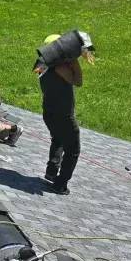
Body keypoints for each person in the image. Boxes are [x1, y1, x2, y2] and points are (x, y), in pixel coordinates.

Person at [37, 33, 93, 195]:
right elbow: (78, 82)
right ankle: (59, 184)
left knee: (58, 139)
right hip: (64, 116)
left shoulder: (42, 66)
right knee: (73, 150)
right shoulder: (61, 68)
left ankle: (51, 172)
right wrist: (74, 62)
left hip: (49, 112)